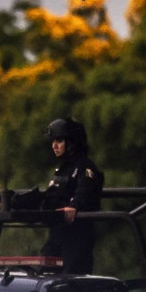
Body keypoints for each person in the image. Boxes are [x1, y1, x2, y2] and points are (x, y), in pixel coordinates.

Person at [40, 117, 103, 274]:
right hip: (57, 235)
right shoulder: (62, 170)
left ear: (73, 142)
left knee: (72, 279)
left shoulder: (85, 167)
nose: (54, 145)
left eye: (59, 140)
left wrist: (74, 207)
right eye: (53, 141)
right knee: (43, 274)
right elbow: (51, 197)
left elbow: (84, 193)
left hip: (77, 237)